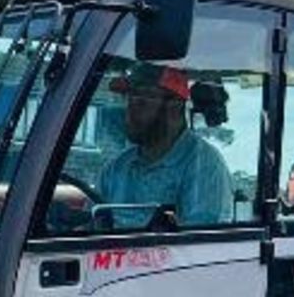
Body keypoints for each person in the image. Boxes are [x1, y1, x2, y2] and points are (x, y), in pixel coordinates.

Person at [95, 62, 234, 227]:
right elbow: (90, 228)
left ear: (174, 106)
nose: (130, 108)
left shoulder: (203, 168)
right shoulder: (115, 169)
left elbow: (198, 246)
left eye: (142, 99)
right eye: (129, 97)